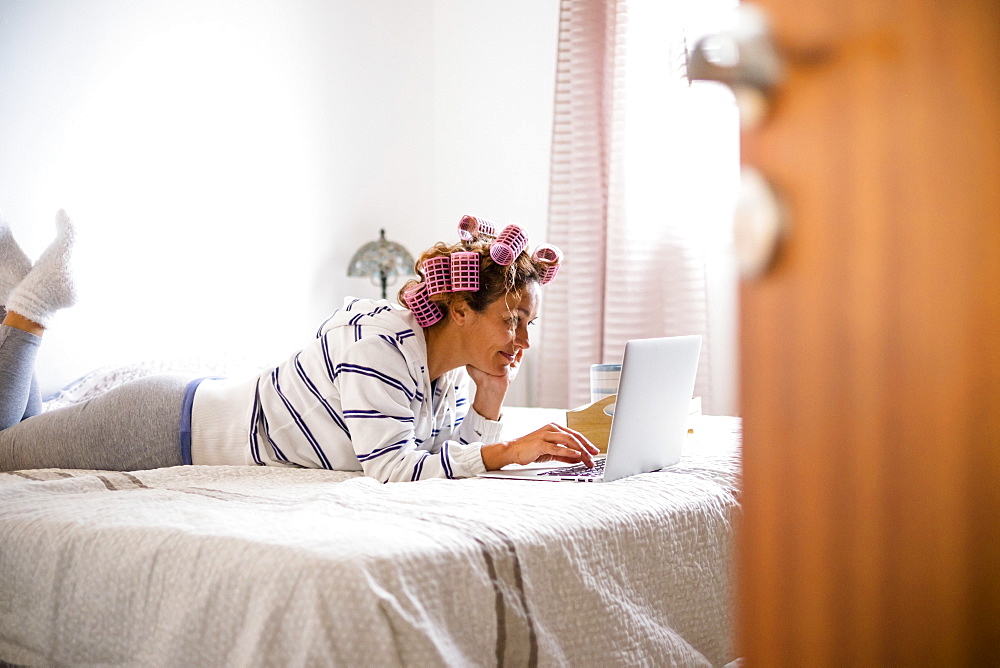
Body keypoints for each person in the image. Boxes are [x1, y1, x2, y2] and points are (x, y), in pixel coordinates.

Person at [0, 212, 598, 482]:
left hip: (177, 418)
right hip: (164, 425)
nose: (522, 341)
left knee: (30, 427)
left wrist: (489, 401)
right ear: (461, 308)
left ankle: (16, 293)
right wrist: (509, 451)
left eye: (530, 326)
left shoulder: (444, 371)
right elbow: (391, 467)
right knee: (4, 451)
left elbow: (443, 459)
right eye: (512, 320)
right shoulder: (382, 338)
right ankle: (32, 309)